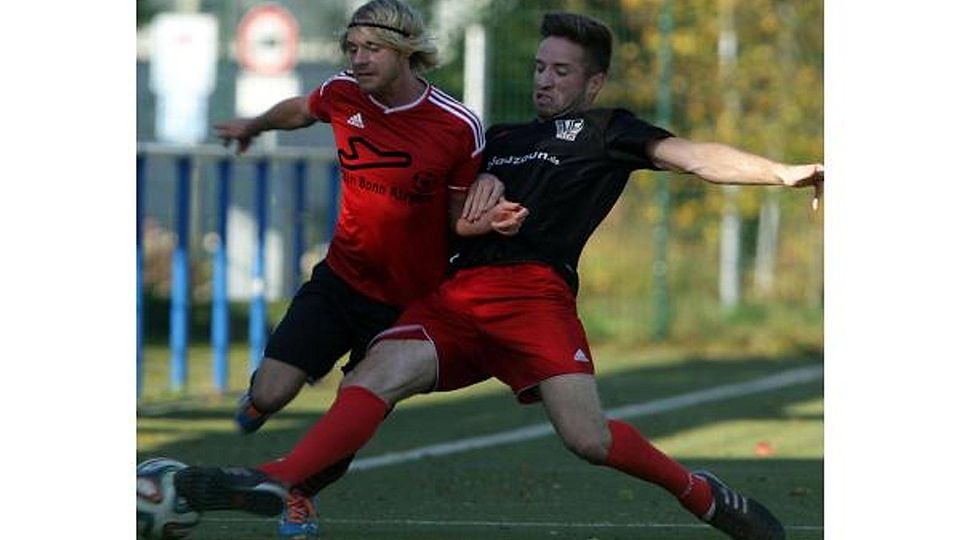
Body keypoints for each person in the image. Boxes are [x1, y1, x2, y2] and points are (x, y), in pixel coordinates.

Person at [174, 11, 823, 540]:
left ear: (594, 84)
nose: (544, 80)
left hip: (536, 301)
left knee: (588, 440)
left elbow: (697, 158)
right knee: (375, 375)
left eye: (561, 71)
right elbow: (450, 208)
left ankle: (701, 494)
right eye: (540, 67)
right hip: (456, 296)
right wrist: (480, 195)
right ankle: (273, 478)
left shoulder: (609, 131)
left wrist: (782, 172)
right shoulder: (497, 138)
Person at [209, 0, 519, 537]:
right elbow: (299, 110)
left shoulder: (457, 125)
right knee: (269, 393)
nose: (358, 59)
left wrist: (492, 221)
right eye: (352, 49)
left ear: (405, 53)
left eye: (371, 49)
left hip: (406, 305)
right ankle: (270, 391)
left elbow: (456, 220)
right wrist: (255, 126)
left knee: (350, 417)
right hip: (340, 281)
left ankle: (300, 494)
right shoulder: (340, 94)